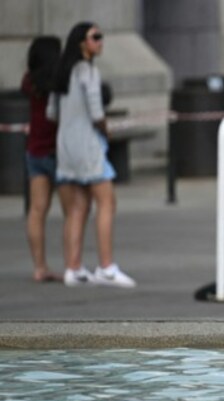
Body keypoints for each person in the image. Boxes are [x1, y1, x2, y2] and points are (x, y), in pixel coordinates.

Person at [48, 22, 136, 288]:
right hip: (88, 146)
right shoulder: (88, 71)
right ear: (81, 43)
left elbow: (51, 114)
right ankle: (106, 266)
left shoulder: (61, 74)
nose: (100, 41)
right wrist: (105, 129)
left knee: (77, 207)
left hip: (65, 146)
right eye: (95, 37)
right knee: (107, 202)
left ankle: (72, 267)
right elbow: (97, 113)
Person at [21, 36, 63, 283]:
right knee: (74, 210)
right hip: (57, 150)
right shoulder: (57, 82)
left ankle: (39, 266)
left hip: (34, 150)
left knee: (37, 210)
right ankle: (73, 264)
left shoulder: (30, 81)